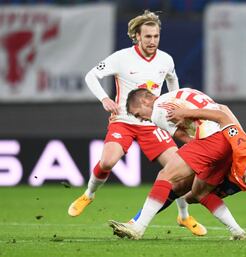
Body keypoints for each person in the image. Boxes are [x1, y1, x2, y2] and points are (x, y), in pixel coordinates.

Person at [67, 10, 206, 236]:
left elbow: (173, 81)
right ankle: (88, 195)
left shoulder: (166, 59)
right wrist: (104, 99)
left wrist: (178, 107)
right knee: (108, 161)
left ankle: (184, 216)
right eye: (148, 36)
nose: (152, 41)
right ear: (137, 37)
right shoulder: (121, 57)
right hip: (124, 120)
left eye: (156, 36)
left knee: (178, 169)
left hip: (153, 124)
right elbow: (90, 76)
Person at [108, 88, 246, 240]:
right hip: (229, 138)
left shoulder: (158, 110)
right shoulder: (183, 92)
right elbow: (223, 109)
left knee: (165, 175)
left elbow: (184, 137)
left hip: (211, 140)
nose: (141, 119)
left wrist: (204, 152)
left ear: (145, 101)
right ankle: (238, 232)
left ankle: (138, 228)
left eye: (137, 114)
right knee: (198, 192)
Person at [166, 104, 246, 241]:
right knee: (222, 108)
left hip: (233, 182)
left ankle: (183, 215)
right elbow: (221, 117)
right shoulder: (243, 148)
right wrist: (186, 112)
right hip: (228, 160)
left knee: (192, 198)